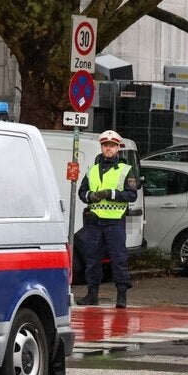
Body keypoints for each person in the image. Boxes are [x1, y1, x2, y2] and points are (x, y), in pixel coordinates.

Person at [75, 130, 138, 308]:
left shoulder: (126, 170)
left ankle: (121, 296)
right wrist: (91, 196)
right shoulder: (92, 170)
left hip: (115, 222)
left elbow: (131, 195)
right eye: (105, 145)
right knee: (92, 259)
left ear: (118, 148)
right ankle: (92, 294)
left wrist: (110, 193)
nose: (108, 148)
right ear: (102, 147)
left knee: (118, 259)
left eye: (112, 146)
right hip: (94, 222)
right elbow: (82, 192)